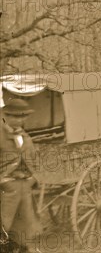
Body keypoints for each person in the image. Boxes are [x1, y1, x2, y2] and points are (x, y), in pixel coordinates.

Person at [0, 99, 42, 253]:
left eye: (23, 117)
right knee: (5, 223)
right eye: (15, 117)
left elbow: (32, 160)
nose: (19, 120)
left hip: (23, 186)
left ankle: (25, 247)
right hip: (6, 187)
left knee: (25, 222)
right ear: (7, 116)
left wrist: (31, 178)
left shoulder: (25, 137)